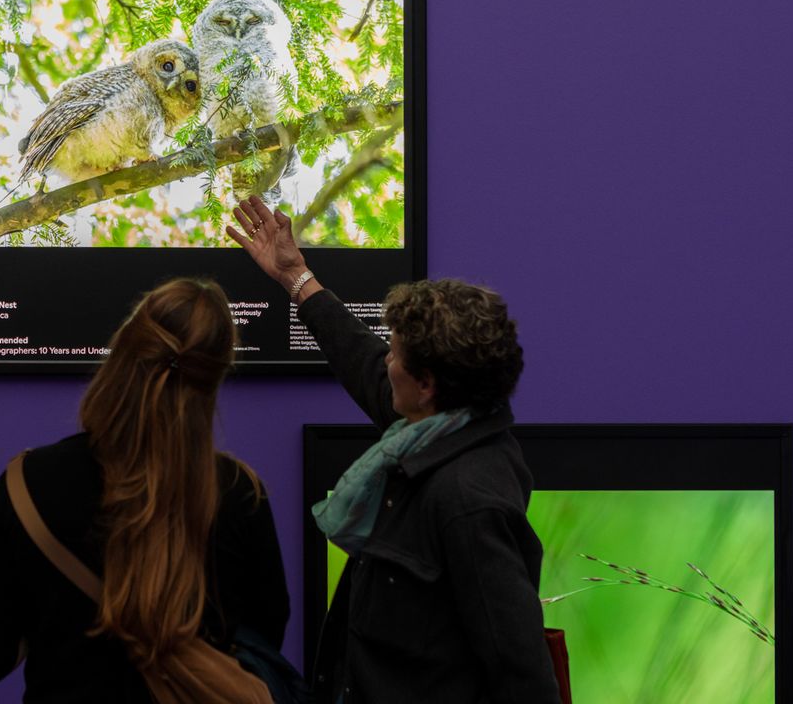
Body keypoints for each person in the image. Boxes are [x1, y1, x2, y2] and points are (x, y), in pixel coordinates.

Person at [228, 197, 560, 704]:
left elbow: (520, 670)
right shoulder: (439, 428)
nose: (386, 362)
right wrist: (295, 277)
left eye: (397, 354)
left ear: (426, 383)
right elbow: (359, 357)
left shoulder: (468, 500)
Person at [0, 278, 290, 703]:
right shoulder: (242, 495)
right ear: (215, 377)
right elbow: (264, 643)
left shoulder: (26, 484)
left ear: (124, 350)